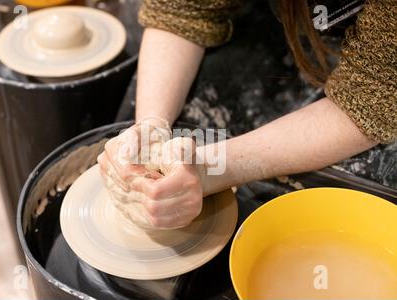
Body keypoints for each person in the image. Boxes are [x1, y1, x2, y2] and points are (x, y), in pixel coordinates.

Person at [98, 0, 396, 229]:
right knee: (179, 108)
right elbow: (183, 12)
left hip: (381, 66)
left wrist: (209, 170)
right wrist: (151, 127)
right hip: (281, 17)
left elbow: (372, 98)